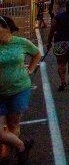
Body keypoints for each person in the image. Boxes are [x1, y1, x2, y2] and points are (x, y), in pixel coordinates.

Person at [0, 16, 41, 164]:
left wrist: (30, 69)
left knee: (13, 124)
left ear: (6, 28)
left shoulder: (20, 42)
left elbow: (37, 53)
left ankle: (6, 155)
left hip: (19, 89)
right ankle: (22, 146)